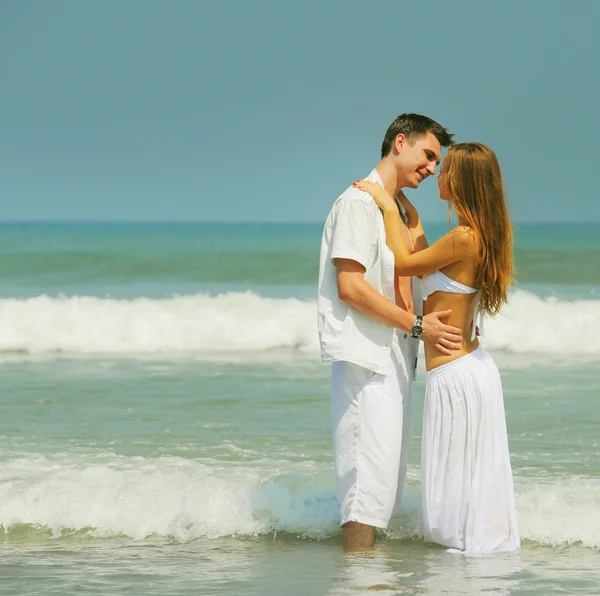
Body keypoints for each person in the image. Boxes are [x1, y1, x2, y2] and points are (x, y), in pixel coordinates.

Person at [353, 142, 519, 554]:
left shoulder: (464, 237)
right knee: (465, 480)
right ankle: (474, 560)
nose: (437, 175)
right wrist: (411, 217)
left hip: (457, 374)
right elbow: (426, 259)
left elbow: (404, 264)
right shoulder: (469, 235)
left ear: (462, 181)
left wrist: (388, 208)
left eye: (445, 171)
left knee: (459, 483)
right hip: (467, 368)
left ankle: (468, 565)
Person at [317, 114, 461, 551]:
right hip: (368, 358)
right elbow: (351, 287)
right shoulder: (358, 203)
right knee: (365, 492)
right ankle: (358, 579)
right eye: (428, 155)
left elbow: (418, 269)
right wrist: (418, 325)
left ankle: (367, 577)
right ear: (401, 143)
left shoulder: (397, 209)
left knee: (384, 491)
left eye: (437, 162)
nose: (433, 168)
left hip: (397, 356)